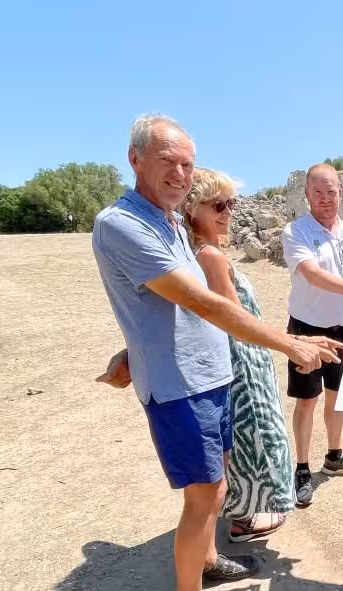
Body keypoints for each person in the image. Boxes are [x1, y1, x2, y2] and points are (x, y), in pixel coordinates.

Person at [92, 114, 343, 591]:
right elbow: (201, 301)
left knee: (218, 482)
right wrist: (291, 341)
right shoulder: (123, 224)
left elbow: (163, 307)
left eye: (187, 164)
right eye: (169, 162)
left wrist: (129, 347)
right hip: (181, 385)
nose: (181, 174)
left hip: (210, 376)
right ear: (135, 159)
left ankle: (207, 562)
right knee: (204, 492)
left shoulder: (163, 222)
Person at [99, 168, 295, 544]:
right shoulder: (209, 256)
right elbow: (230, 312)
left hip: (233, 355)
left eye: (231, 203)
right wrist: (285, 343)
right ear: (193, 210)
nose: (227, 212)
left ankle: (236, 514)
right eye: (217, 204)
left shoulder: (195, 252)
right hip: (240, 358)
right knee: (255, 435)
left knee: (238, 443)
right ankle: (244, 519)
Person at [280, 163, 343, 507]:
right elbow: (311, 273)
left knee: (338, 397)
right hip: (307, 330)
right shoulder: (296, 231)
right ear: (307, 194)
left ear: (341, 193)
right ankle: (301, 468)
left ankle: (334, 456)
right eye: (318, 192)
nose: (326, 199)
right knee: (307, 401)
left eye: (332, 191)